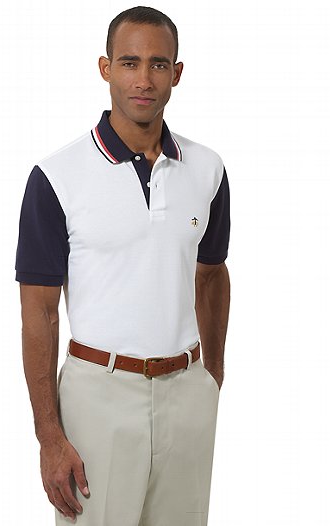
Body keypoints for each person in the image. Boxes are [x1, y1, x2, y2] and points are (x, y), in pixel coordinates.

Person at [15, 6, 230, 526]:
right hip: (98, 397)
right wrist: (48, 435)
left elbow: (211, 275)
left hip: (186, 393)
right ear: (105, 68)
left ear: (177, 73)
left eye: (159, 64)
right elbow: (39, 312)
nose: (144, 79)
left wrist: (211, 378)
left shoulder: (208, 169)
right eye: (130, 62)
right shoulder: (56, 177)